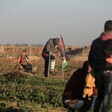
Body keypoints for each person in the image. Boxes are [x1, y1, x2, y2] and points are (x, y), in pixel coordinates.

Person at [88, 20, 112, 112]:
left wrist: (93, 69)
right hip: (108, 72)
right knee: (107, 96)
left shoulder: (95, 42)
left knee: (100, 96)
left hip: (97, 72)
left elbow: (90, 58)